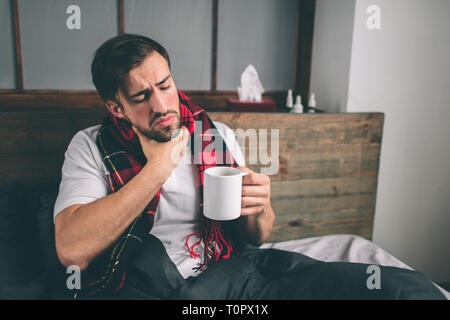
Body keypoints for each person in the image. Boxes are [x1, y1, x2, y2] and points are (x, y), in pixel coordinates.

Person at [53, 34, 445, 300]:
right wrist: (157, 169)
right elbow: (72, 251)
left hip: (240, 269)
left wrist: (261, 206)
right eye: (141, 96)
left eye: (166, 85)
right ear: (115, 107)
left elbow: (256, 236)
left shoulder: (213, 134)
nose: (161, 105)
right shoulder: (90, 147)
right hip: (165, 285)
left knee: (400, 290)